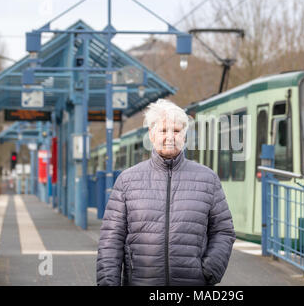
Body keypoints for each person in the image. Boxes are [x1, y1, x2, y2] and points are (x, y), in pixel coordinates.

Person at [96, 99, 235, 286]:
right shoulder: (127, 180)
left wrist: (210, 271)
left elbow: (223, 231)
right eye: (163, 130)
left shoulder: (208, 179)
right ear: (151, 135)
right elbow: (111, 239)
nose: (170, 137)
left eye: (176, 131)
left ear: (184, 136)